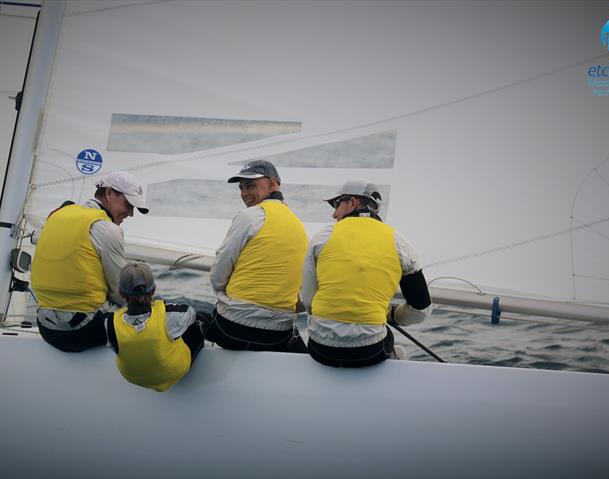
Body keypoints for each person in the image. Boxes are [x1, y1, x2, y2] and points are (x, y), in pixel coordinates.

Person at [299, 179, 431, 367]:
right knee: (388, 338)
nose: (333, 213)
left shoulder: (322, 237)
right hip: (369, 352)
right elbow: (420, 310)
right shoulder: (399, 242)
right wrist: (391, 315)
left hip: (321, 349)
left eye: (336, 204)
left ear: (352, 203)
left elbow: (308, 300)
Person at [30, 170, 148, 352]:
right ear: (109, 193)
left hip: (46, 326)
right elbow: (122, 293)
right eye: (128, 204)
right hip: (83, 330)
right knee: (148, 313)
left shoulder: (55, 217)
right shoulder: (106, 229)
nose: (131, 214)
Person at [206, 160, 308, 353]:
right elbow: (302, 291)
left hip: (233, 329)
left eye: (251, 186)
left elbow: (220, 269)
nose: (244, 194)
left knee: (192, 321)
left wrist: (223, 294)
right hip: (276, 336)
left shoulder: (249, 216)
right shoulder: (299, 227)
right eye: (241, 187)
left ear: (273, 184)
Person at [106, 262, 208, 392]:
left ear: (121, 293)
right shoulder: (169, 315)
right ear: (153, 290)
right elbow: (191, 313)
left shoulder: (109, 324)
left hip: (134, 378)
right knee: (202, 319)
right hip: (171, 372)